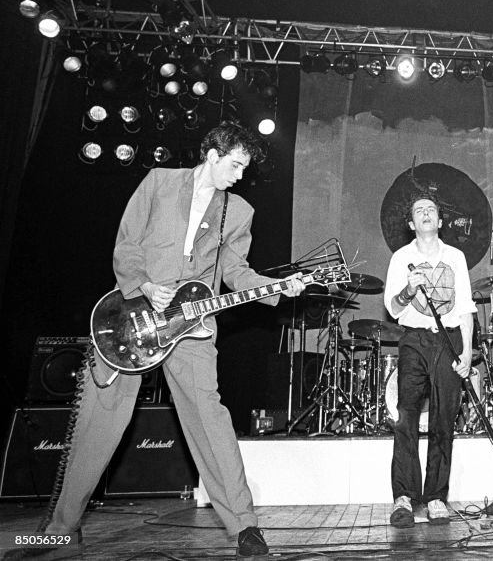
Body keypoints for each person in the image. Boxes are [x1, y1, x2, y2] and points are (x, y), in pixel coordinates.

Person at [13, 123, 305, 560]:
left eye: (244, 168)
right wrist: (147, 286)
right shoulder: (158, 182)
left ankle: (245, 526)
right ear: (212, 153)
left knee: (210, 418)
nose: (240, 175)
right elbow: (127, 244)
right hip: (130, 317)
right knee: (100, 423)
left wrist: (280, 287)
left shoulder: (238, 211)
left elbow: (236, 272)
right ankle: (60, 528)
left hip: (192, 328)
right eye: (235, 164)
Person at [384, 192, 475, 527]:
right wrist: (408, 290)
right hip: (414, 339)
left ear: (439, 222)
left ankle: (437, 497)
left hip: (448, 339)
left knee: (443, 420)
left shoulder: (456, 257)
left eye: (431, 210)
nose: (425, 213)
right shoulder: (400, 258)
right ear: (411, 224)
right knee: (406, 418)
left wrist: (466, 351)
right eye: (418, 211)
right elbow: (393, 309)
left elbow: (465, 307)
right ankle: (404, 498)